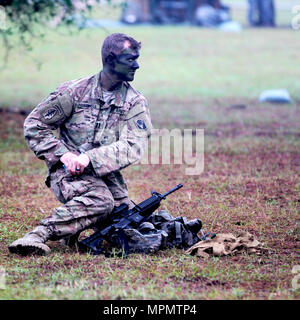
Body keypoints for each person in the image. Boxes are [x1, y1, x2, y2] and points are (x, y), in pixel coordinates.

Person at [8, 33, 152, 256]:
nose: (137, 65)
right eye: (130, 59)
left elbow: (135, 144)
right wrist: (63, 155)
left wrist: (90, 158)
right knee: (101, 202)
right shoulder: (74, 92)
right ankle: (38, 235)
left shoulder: (134, 102)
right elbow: (35, 124)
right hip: (67, 174)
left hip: (107, 177)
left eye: (137, 58)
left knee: (125, 225)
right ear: (111, 60)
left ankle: (71, 231)